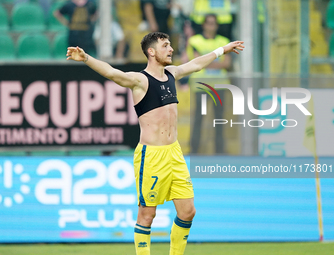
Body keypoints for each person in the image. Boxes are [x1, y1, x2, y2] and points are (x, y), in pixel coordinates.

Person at [66, 32, 244, 255]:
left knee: (188, 211)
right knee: (147, 215)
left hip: (175, 154)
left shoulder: (171, 73)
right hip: (151, 156)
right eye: (165, 46)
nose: (171, 49)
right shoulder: (140, 80)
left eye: (170, 45)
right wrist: (86, 58)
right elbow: (113, 73)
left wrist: (221, 50)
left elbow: (197, 64)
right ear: (151, 52)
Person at [187, 14, 231, 154]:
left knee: (219, 119)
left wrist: (206, 63)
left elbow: (227, 63)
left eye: (214, 23)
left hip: (219, 85)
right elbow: (197, 62)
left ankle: (220, 151)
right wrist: (218, 63)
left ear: (217, 25)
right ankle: (194, 150)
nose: (211, 26)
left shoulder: (224, 40)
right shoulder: (195, 40)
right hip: (201, 85)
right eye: (209, 23)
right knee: (198, 118)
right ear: (204, 25)